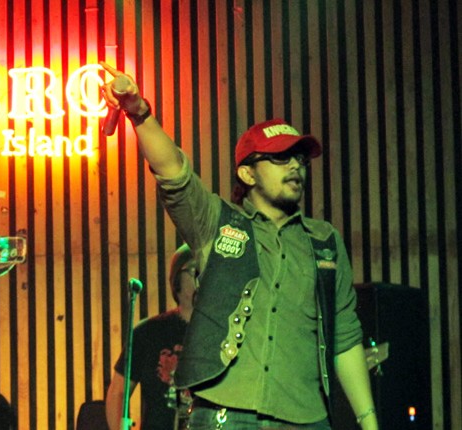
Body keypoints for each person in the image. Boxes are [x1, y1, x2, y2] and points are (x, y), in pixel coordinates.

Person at [100, 62, 378, 430]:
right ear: (247, 173)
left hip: (306, 419)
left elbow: (344, 336)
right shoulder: (217, 222)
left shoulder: (324, 241)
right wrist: (140, 113)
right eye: (280, 157)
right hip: (224, 415)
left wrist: (369, 422)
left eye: (299, 158)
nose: (295, 166)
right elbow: (174, 174)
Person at [105, 244, 198, 430]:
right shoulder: (148, 332)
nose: (203, 278)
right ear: (176, 280)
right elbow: (118, 393)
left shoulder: (223, 332)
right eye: (195, 271)